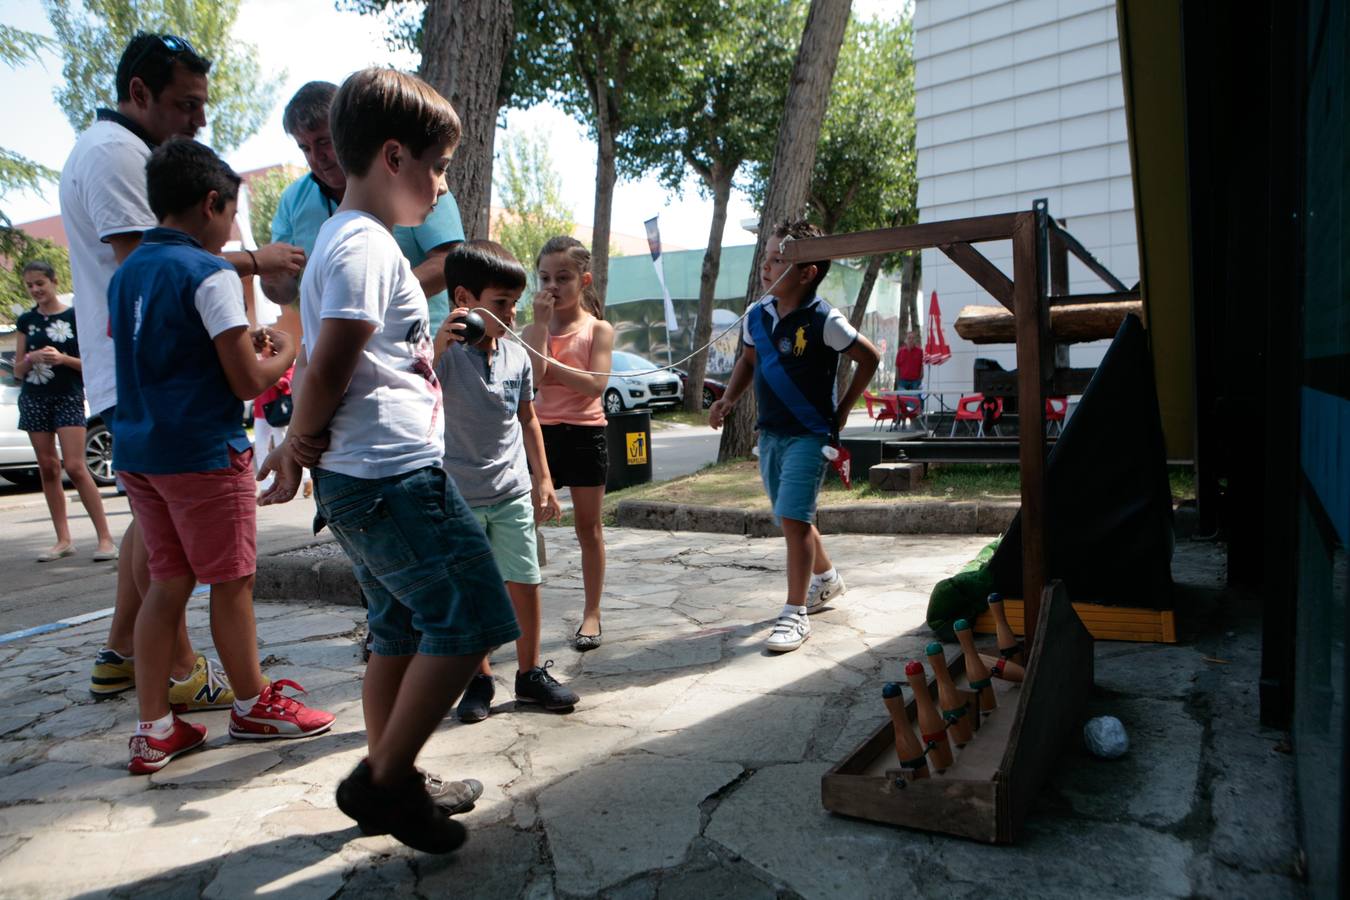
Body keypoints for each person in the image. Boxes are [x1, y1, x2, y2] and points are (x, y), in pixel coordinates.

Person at [258, 68, 520, 854]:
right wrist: (298, 445)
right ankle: (382, 785)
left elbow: (348, 361)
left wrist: (305, 449)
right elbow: (331, 361)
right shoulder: (369, 244)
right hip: (392, 479)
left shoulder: (343, 239)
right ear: (396, 156)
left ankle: (394, 768)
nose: (441, 188)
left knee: (399, 626)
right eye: (438, 168)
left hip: (367, 478)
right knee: (474, 616)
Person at [58, 32, 305, 704]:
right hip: (177, 402)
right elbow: (165, 264)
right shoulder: (117, 155)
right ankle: (224, 688)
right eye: (185, 104)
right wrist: (283, 325)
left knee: (161, 556)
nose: (199, 119)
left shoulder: (116, 152)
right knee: (221, 574)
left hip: (141, 406)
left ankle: (136, 679)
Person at [109, 138, 335, 774]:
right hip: (203, 453)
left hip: (140, 451)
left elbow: (164, 349)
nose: (235, 230)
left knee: (168, 581)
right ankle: (253, 703)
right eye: (233, 215)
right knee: (232, 581)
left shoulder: (127, 272)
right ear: (212, 203)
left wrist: (242, 345)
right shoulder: (210, 272)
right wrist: (287, 345)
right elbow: (247, 382)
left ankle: (153, 728)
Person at [708, 220, 881, 653]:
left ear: (807, 273)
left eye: (778, 261)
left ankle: (795, 613)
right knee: (792, 516)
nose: (766, 268)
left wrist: (840, 414)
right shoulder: (756, 316)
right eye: (766, 258)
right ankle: (827, 580)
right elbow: (748, 361)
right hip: (770, 434)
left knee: (794, 520)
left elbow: (870, 357)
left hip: (810, 435)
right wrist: (728, 399)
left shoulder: (825, 320)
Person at [432, 241, 578, 723]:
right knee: (474, 591)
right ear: (463, 300)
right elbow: (418, 393)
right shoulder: (445, 357)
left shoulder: (516, 356)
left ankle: (530, 673)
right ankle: (479, 678)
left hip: (512, 490)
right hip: (460, 496)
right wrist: (436, 346)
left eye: (515, 303)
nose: (511, 313)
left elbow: (528, 419)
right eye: (500, 303)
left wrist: (544, 481)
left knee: (525, 581)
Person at [261, 81, 465, 326]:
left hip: (422, 344)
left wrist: (371, 301)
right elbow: (285, 293)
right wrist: (270, 277)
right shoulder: (293, 199)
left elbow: (450, 262)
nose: (316, 157)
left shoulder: (415, 179)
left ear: (347, 132)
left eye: (324, 142)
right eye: (305, 147)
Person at [522, 237, 614, 652]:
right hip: (540, 434)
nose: (553, 287)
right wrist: (541, 330)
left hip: (585, 434)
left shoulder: (598, 329)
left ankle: (591, 613)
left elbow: (595, 386)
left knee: (588, 528)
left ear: (584, 280)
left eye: (563, 278)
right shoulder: (531, 329)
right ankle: (518, 616)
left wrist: (557, 371)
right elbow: (536, 379)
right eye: (544, 278)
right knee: (521, 527)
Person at [12, 261, 117, 562]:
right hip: (34, 397)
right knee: (47, 466)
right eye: (30, 285)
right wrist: (32, 357)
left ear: (54, 281)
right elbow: (18, 370)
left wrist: (62, 359)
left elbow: (91, 365)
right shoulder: (26, 321)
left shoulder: (75, 316)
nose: (35, 290)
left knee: (75, 465)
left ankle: (106, 538)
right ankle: (63, 539)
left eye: (40, 283)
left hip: (68, 396)